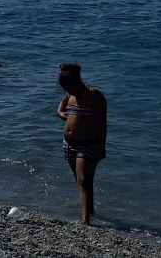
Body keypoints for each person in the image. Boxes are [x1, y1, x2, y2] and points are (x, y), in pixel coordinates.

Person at [57, 63, 107, 225]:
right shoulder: (70, 94)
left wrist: (102, 146)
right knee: (81, 182)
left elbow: (102, 122)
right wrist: (60, 112)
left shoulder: (94, 96)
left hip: (88, 144)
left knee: (84, 181)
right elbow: (62, 104)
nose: (66, 91)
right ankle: (89, 213)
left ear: (75, 83)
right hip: (70, 144)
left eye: (67, 87)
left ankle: (85, 221)